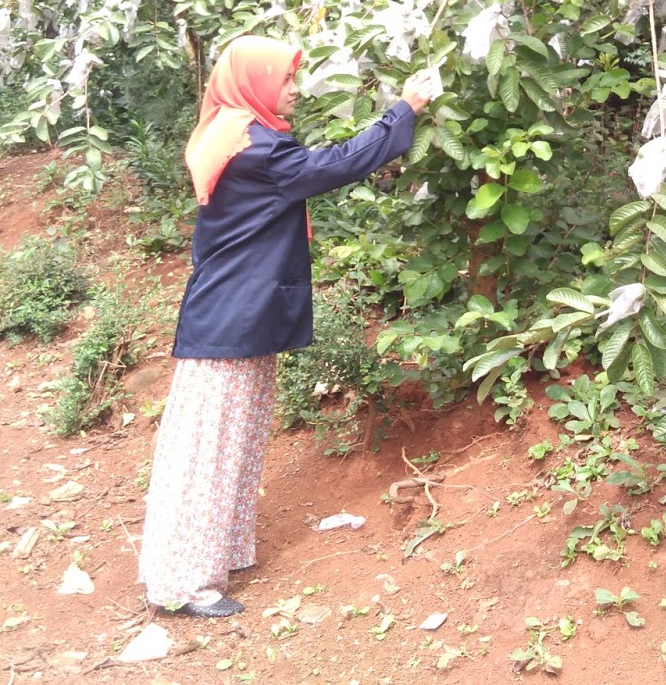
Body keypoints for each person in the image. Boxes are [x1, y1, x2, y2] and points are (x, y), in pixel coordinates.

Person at [137, 35, 440, 618]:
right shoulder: (256, 150)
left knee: (233, 438)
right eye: (286, 79)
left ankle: (214, 554)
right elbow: (332, 165)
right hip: (231, 314)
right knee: (211, 446)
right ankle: (183, 580)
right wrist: (404, 111)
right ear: (255, 82)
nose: (295, 89)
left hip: (232, 309)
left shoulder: (230, 127)